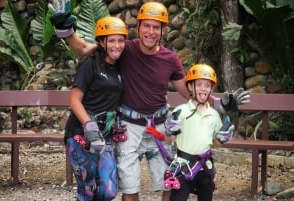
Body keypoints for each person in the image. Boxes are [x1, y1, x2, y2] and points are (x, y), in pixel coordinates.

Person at [49, 1, 250, 201]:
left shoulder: (170, 59)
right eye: (146, 25)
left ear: (163, 30)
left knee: (170, 182)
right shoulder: (124, 49)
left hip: (159, 127)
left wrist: (219, 104)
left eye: (156, 27)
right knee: (129, 185)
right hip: (129, 127)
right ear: (139, 27)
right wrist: (66, 31)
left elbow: (189, 93)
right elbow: (86, 49)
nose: (150, 32)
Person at [63, 16, 128, 201]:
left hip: (105, 137)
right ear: (101, 41)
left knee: (108, 192)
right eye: (112, 40)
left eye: (121, 40)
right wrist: (89, 126)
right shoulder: (90, 63)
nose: (117, 45)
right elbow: (74, 99)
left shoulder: (120, 65)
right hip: (80, 134)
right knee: (88, 191)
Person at [164, 64, 235, 201]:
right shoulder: (181, 111)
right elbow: (169, 141)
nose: (204, 89)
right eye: (199, 85)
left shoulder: (214, 115)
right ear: (191, 87)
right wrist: (169, 131)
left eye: (207, 85)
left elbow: (214, 144)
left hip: (205, 169)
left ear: (211, 89)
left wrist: (222, 139)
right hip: (182, 167)